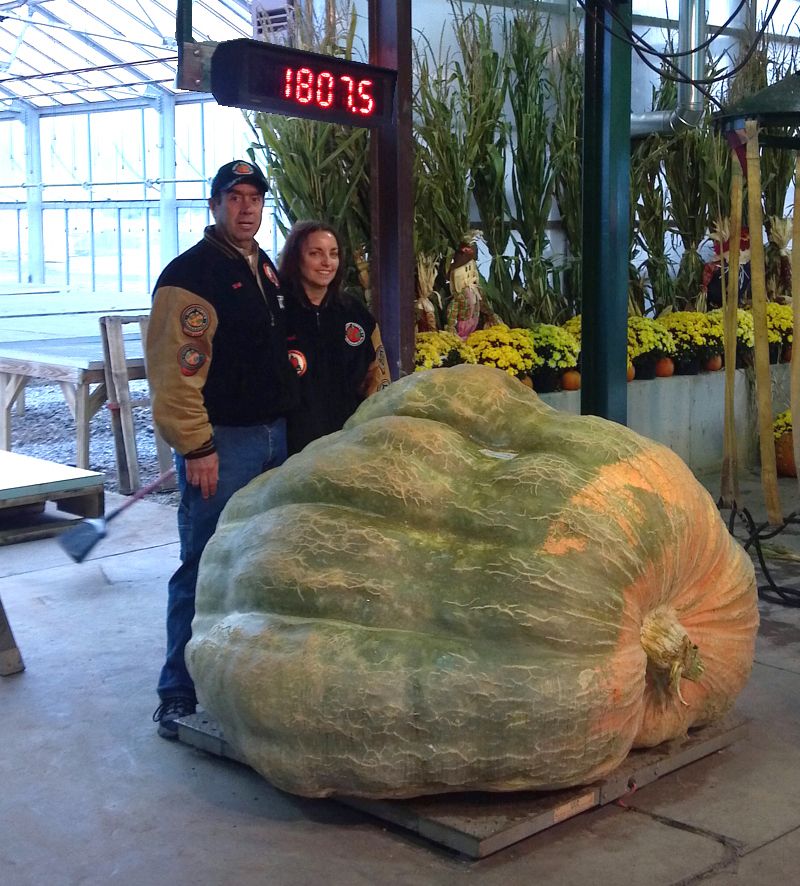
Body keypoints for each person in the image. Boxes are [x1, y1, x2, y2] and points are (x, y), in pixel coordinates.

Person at [146, 159, 298, 739]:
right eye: (233, 197)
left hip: (272, 437)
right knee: (203, 560)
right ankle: (177, 689)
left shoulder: (265, 268)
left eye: (254, 198)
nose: (245, 207)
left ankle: (241, 678)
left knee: (261, 561)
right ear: (214, 206)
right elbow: (175, 373)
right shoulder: (192, 275)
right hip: (223, 445)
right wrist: (197, 446)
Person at [279, 221, 391, 455]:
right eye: (315, 253)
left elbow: (377, 377)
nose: (326, 262)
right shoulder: (277, 311)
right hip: (286, 446)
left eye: (333, 254)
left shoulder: (355, 313)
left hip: (346, 443)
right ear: (296, 258)